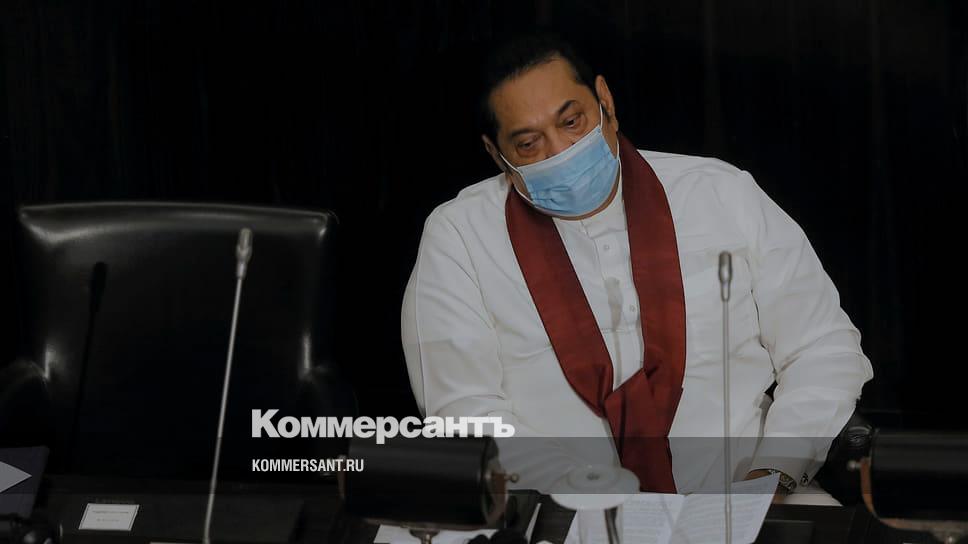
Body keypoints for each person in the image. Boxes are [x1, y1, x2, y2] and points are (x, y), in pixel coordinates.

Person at [401, 34, 872, 501]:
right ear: (496, 153)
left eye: (571, 122)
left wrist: (776, 473)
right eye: (529, 143)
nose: (560, 150)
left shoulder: (720, 192)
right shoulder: (460, 236)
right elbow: (464, 410)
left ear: (604, 101)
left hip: (751, 496)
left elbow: (821, 347)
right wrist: (591, 500)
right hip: (559, 510)